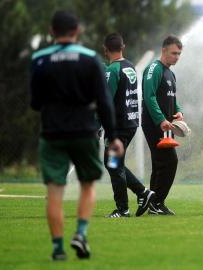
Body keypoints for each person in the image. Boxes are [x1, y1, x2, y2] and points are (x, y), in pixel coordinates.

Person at [30, 10, 123, 261]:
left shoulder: (39, 59)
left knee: (55, 191)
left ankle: (58, 249)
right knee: (87, 185)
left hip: (52, 133)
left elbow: (35, 102)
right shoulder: (91, 58)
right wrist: (113, 136)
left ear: (52, 31)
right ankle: (80, 233)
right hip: (85, 132)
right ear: (77, 31)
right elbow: (104, 102)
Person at [102, 33, 155, 218]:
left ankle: (123, 209)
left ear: (105, 49)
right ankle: (143, 193)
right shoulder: (130, 66)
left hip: (117, 127)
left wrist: (98, 125)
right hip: (130, 123)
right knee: (115, 164)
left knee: (113, 164)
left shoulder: (112, 70)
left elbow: (106, 101)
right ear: (123, 47)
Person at [142, 35, 184, 215]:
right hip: (155, 124)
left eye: (179, 54)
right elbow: (149, 96)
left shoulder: (170, 73)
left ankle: (154, 203)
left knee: (160, 165)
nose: (177, 57)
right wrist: (160, 119)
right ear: (164, 50)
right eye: (174, 53)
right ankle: (157, 202)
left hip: (167, 126)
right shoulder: (153, 69)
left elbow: (172, 99)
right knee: (170, 161)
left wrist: (178, 111)